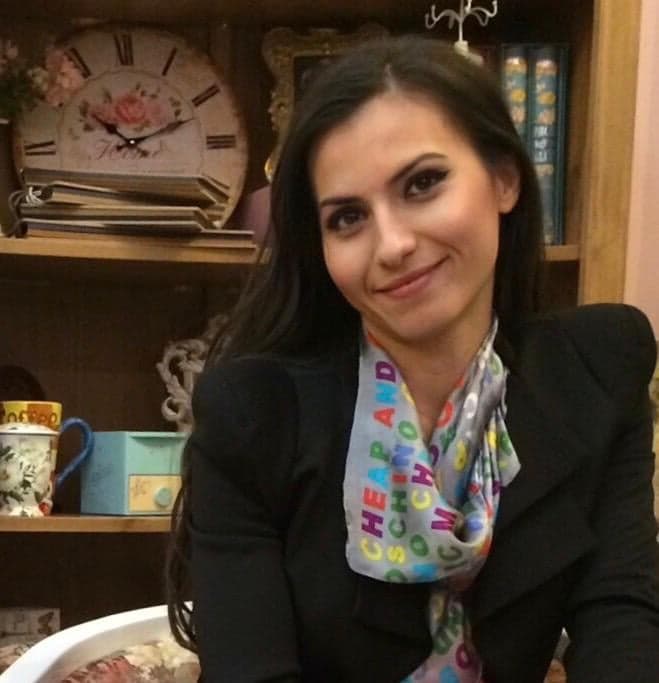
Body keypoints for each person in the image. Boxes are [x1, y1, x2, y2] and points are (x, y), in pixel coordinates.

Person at [166, 35, 659, 682]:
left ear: (504, 179)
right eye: (347, 218)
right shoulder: (253, 414)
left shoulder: (599, 370)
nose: (392, 244)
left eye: (423, 184)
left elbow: (620, 616)